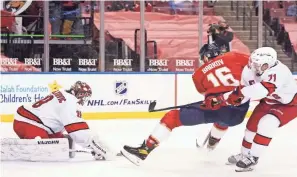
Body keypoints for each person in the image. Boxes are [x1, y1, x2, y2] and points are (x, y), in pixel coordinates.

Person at [121, 43, 250, 165]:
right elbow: (253, 64)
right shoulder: (233, 56)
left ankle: (144, 150)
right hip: (238, 113)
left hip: (219, 108)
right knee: (223, 117)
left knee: (173, 117)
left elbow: (205, 93)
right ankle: (210, 146)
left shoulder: (198, 75)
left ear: (205, 57)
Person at [216, 47, 297, 172]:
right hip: (268, 101)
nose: (254, 66)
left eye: (258, 64)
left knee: (267, 123)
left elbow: (262, 90)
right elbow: (243, 93)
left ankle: (253, 158)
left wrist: (236, 94)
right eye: (253, 62)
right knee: (251, 128)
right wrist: (228, 101)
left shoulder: (280, 71)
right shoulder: (249, 70)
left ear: (268, 64)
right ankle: (244, 155)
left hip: (289, 104)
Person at [11, 81, 114, 161]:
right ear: (78, 93)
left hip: (32, 120)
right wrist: (94, 145)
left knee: (61, 145)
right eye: (83, 95)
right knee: (45, 153)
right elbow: (77, 132)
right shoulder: (69, 102)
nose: (83, 99)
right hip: (27, 122)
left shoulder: (64, 93)